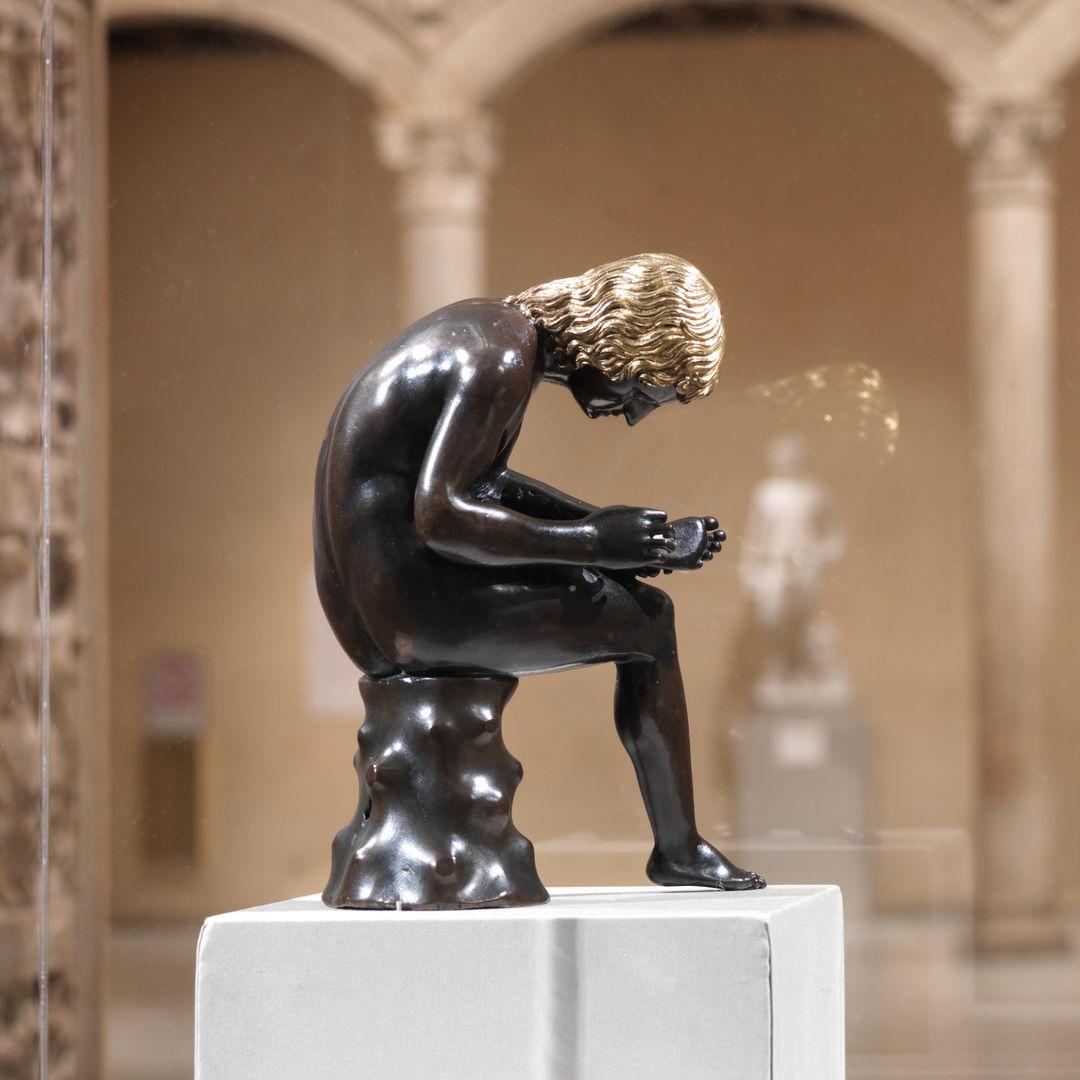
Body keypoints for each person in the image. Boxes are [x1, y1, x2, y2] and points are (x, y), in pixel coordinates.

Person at [314, 253, 764, 890]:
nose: (633, 415)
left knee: (628, 597)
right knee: (649, 624)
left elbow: (483, 487)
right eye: (640, 391)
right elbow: (441, 516)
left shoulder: (494, 333)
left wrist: (623, 539)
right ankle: (679, 848)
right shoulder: (500, 359)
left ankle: (680, 848)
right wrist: (590, 541)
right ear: (620, 342)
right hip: (407, 612)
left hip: (377, 603)